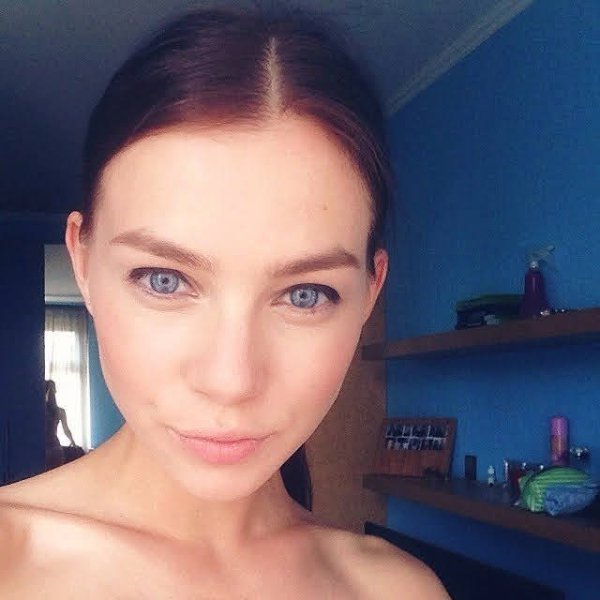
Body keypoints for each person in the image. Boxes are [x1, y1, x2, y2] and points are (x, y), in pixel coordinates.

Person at [0, 9, 449, 598]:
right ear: (82, 263)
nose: (231, 382)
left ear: (370, 293)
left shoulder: (397, 591)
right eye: (164, 280)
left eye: (305, 295)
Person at [44, 379, 77, 470]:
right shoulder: (60, 411)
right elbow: (66, 430)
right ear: (55, 392)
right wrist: (73, 442)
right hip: (56, 448)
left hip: (43, 449)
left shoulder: (40, 411)